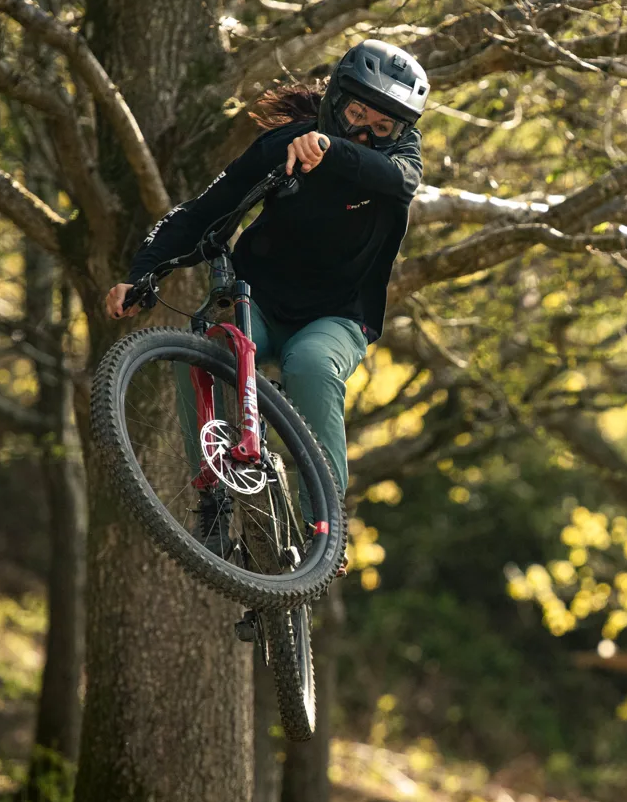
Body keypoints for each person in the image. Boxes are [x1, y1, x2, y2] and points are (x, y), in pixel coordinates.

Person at [106, 39, 429, 550]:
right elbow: (202, 212)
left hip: (337, 317)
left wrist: (330, 148)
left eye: (382, 127)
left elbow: (398, 179)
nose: (366, 132)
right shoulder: (284, 145)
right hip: (256, 299)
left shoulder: (401, 162)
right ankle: (211, 496)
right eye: (355, 115)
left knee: (311, 366)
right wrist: (143, 273)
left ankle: (326, 528)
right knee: (207, 347)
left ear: (401, 132)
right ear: (335, 101)